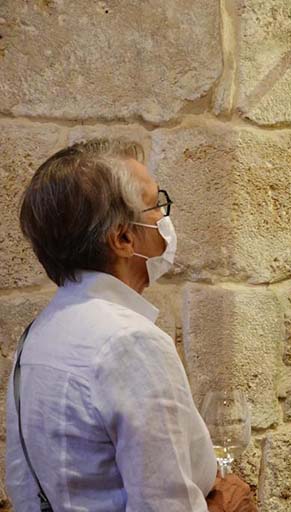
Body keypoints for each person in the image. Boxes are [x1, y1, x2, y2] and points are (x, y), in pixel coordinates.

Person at [6, 139, 256, 511]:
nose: (165, 219)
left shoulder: (38, 334)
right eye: (156, 205)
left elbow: (22, 484)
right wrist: (227, 504)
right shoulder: (130, 342)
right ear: (123, 238)